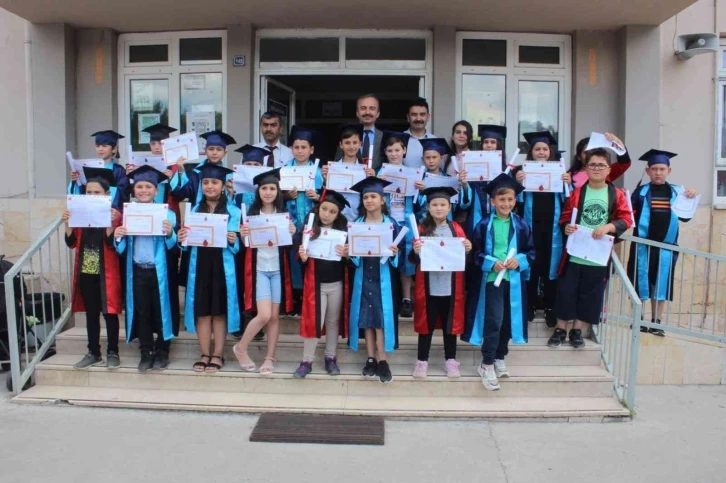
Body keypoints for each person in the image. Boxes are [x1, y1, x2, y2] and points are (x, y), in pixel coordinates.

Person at [549, 148, 633, 348]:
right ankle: (560, 329)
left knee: (590, 293)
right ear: (586, 168)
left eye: (601, 165)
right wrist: (566, 226)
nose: (596, 168)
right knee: (566, 291)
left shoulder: (617, 194)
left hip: (598, 254)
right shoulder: (577, 193)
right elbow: (565, 216)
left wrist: (608, 227)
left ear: (608, 169)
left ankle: (577, 330)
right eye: (592, 164)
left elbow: (626, 218)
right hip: (575, 253)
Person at [463, 174, 534, 391]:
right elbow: (475, 253)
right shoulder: (484, 224)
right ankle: (486, 363)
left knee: (507, 321)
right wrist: (490, 262)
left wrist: (518, 261)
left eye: (510, 199)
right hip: (491, 280)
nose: (506, 203)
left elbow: (530, 252)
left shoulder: (521, 225)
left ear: (515, 200)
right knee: (494, 320)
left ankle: (500, 357)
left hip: (513, 281)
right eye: (501, 199)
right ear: (492, 201)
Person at [113, 166, 179, 372]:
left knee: (161, 310)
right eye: (140, 186)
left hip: (160, 271)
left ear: (156, 190)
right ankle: (145, 351)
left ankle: (162, 350)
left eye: (148, 187)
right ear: (134, 190)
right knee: (142, 311)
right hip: (137, 270)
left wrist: (170, 233)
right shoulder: (128, 213)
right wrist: (118, 236)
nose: (144, 190)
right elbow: (122, 248)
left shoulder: (168, 214)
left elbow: (175, 247)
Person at [177, 164, 242, 372]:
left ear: (222, 186)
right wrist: (181, 238)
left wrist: (234, 240)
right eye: (205, 182)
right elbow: (186, 243)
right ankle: (204, 353)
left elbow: (238, 247)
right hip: (200, 265)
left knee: (219, 312)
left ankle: (218, 354)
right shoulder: (194, 210)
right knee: (202, 312)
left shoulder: (234, 211)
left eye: (214, 182)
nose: (210, 186)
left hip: (222, 267)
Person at [627, 149, 699, 336]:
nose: (658, 172)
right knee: (639, 281)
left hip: (666, 247)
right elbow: (628, 214)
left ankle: (657, 321)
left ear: (669, 171)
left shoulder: (677, 192)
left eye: (662, 169)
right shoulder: (640, 192)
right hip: (642, 245)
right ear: (648, 171)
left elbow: (685, 218)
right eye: (654, 169)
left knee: (661, 283)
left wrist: (690, 197)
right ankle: (638, 319)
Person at [234, 168, 297, 376]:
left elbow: (288, 246)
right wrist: (243, 235)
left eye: (272, 188)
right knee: (264, 314)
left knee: (274, 317)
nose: (268, 192)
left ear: (278, 191)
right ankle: (241, 348)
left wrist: (292, 233)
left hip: (278, 269)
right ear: (258, 191)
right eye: (264, 188)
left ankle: (270, 358)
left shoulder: (284, 215)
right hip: (260, 269)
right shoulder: (250, 216)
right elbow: (246, 245)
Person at [409, 187, 472, 378]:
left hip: (451, 286)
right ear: (428, 207)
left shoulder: (457, 229)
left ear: (449, 207)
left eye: (443, 204)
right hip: (428, 286)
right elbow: (412, 259)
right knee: (426, 325)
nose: (439, 208)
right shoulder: (421, 229)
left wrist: (468, 249)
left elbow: (463, 259)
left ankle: (451, 360)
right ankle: (422, 361)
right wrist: (416, 252)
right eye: (434, 204)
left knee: (449, 326)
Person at [64, 168, 122, 369]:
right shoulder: (80, 214)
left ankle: (113, 351)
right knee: (91, 313)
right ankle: (93, 352)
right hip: (86, 269)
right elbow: (71, 243)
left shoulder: (115, 214)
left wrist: (112, 222)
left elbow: (112, 244)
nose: (92, 195)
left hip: (107, 271)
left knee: (110, 313)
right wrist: (68, 224)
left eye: (97, 192)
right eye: (88, 192)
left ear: (107, 194)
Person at [348, 177, 404, 384]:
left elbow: (399, 256)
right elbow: (353, 257)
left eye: (373, 196)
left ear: (382, 200)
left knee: (380, 319)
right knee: (366, 318)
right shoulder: (356, 225)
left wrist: (395, 253)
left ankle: (383, 360)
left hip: (383, 278)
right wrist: (349, 253)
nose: (369, 200)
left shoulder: (392, 225)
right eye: (366, 197)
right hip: (363, 276)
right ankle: (370, 358)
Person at [514, 131, 571, 327]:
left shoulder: (559, 170)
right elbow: (516, 200)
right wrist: (518, 183)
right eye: (537, 149)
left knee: (550, 266)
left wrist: (567, 184)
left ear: (550, 152)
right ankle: (530, 304)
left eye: (544, 149)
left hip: (552, 226)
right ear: (531, 152)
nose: (541, 152)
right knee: (531, 264)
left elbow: (567, 199)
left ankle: (549, 306)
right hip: (530, 225)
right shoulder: (523, 171)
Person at [293, 190, 351, 378]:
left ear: (338, 214)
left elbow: (350, 262)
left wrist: (347, 254)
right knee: (314, 321)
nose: (327, 214)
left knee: (333, 321)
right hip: (315, 284)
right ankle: (306, 360)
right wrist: (302, 257)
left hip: (337, 284)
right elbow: (300, 258)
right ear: (318, 208)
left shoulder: (343, 233)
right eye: (324, 209)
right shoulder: (309, 230)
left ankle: (330, 357)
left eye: (332, 211)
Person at [231, 144, 272, 341]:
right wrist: (230, 193)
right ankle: (239, 321)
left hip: (259, 241)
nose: (252, 167)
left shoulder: (265, 189)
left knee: (256, 282)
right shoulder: (235, 186)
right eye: (248, 164)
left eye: (256, 164)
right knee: (240, 280)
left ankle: (256, 322)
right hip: (239, 240)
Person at [285, 126, 325, 314]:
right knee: (293, 261)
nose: (300, 151)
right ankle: (295, 297)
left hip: (312, 223)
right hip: (291, 225)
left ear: (311, 149)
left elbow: (328, 200)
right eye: (296, 147)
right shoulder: (285, 170)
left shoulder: (318, 172)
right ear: (291, 149)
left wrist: (317, 197)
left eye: (304, 147)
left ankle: (310, 298)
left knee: (311, 260)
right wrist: (287, 195)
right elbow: (275, 197)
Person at [378, 131, 417, 318]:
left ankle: (406, 299)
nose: (394, 154)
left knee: (406, 261)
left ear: (404, 151)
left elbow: (420, 202)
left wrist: (419, 189)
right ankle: (387, 296)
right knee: (386, 257)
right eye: (390, 150)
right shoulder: (380, 173)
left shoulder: (412, 174)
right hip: (386, 221)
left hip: (406, 221)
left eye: (397, 150)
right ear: (385, 152)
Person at [170, 130, 237, 206]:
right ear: (205, 151)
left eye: (219, 149)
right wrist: (181, 170)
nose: (214, 153)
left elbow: (233, 205)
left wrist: (231, 193)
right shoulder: (195, 173)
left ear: (225, 153)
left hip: (221, 212)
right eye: (211, 149)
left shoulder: (229, 177)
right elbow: (179, 195)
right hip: (197, 212)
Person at [324, 124, 375, 222]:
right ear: (341, 145)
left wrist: (373, 180)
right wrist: (325, 179)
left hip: (358, 218)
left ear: (360, 144)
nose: (351, 146)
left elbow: (370, 195)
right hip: (335, 218)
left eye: (355, 142)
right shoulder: (332, 168)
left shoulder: (366, 170)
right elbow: (328, 195)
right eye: (347, 143)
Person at [68, 130, 130, 212]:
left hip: (110, 211)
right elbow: (79, 191)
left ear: (114, 149)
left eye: (104, 146)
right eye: (97, 146)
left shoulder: (119, 170)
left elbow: (123, 192)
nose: (100, 149)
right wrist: (75, 180)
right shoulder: (88, 168)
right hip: (89, 209)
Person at [414, 138, 472, 220]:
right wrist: (421, 192)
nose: (431, 161)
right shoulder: (419, 180)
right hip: (426, 221)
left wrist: (464, 186)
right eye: (428, 157)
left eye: (434, 157)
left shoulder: (450, 180)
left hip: (447, 220)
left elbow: (461, 205)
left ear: (441, 158)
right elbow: (416, 207)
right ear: (422, 159)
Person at [335, 94, 383, 169]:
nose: (367, 112)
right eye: (363, 108)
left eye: (372, 108)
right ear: (357, 113)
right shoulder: (346, 135)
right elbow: (337, 162)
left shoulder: (384, 137)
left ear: (378, 114)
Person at [403, 97, 438, 168]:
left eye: (422, 114)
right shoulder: (399, 139)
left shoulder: (436, 141)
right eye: (414, 114)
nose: (418, 119)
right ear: (408, 117)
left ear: (428, 117)